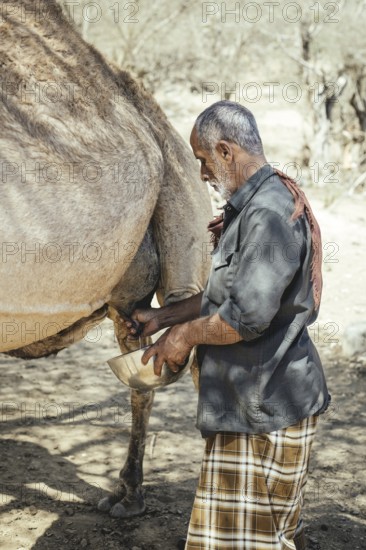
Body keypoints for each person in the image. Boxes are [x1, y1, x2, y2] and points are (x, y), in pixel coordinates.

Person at [126, 101, 330, 550]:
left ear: (225, 151)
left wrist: (182, 337)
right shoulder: (253, 205)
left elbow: (245, 318)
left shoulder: (269, 214)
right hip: (253, 405)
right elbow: (230, 296)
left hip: (266, 411)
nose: (201, 173)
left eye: (202, 160)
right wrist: (165, 316)